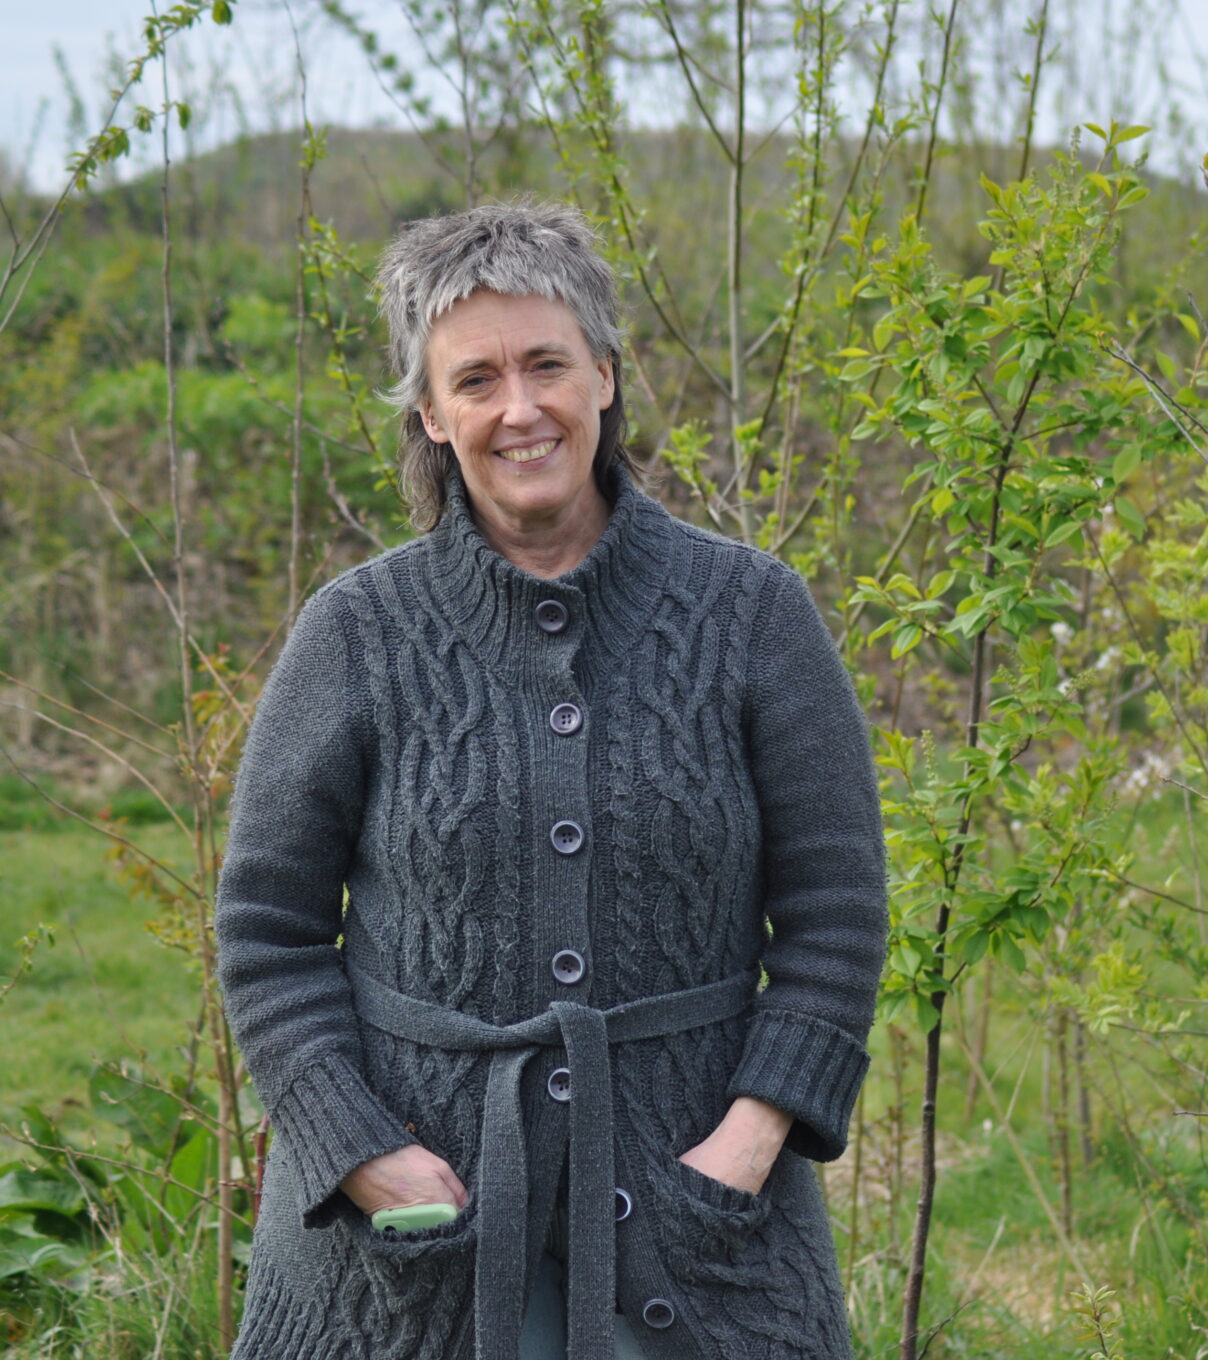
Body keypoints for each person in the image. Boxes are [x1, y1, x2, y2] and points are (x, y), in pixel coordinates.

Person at [214, 198, 890, 1360]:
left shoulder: (751, 616)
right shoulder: (357, 634)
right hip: (414, 1228)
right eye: (475, 380)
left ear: (607, 379)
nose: (518, 408)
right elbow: (266, 929)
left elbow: (836, 911)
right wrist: (355, 1144)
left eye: (547, 365)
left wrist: (748, 1137)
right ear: (430, 413)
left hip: (694, 1217)